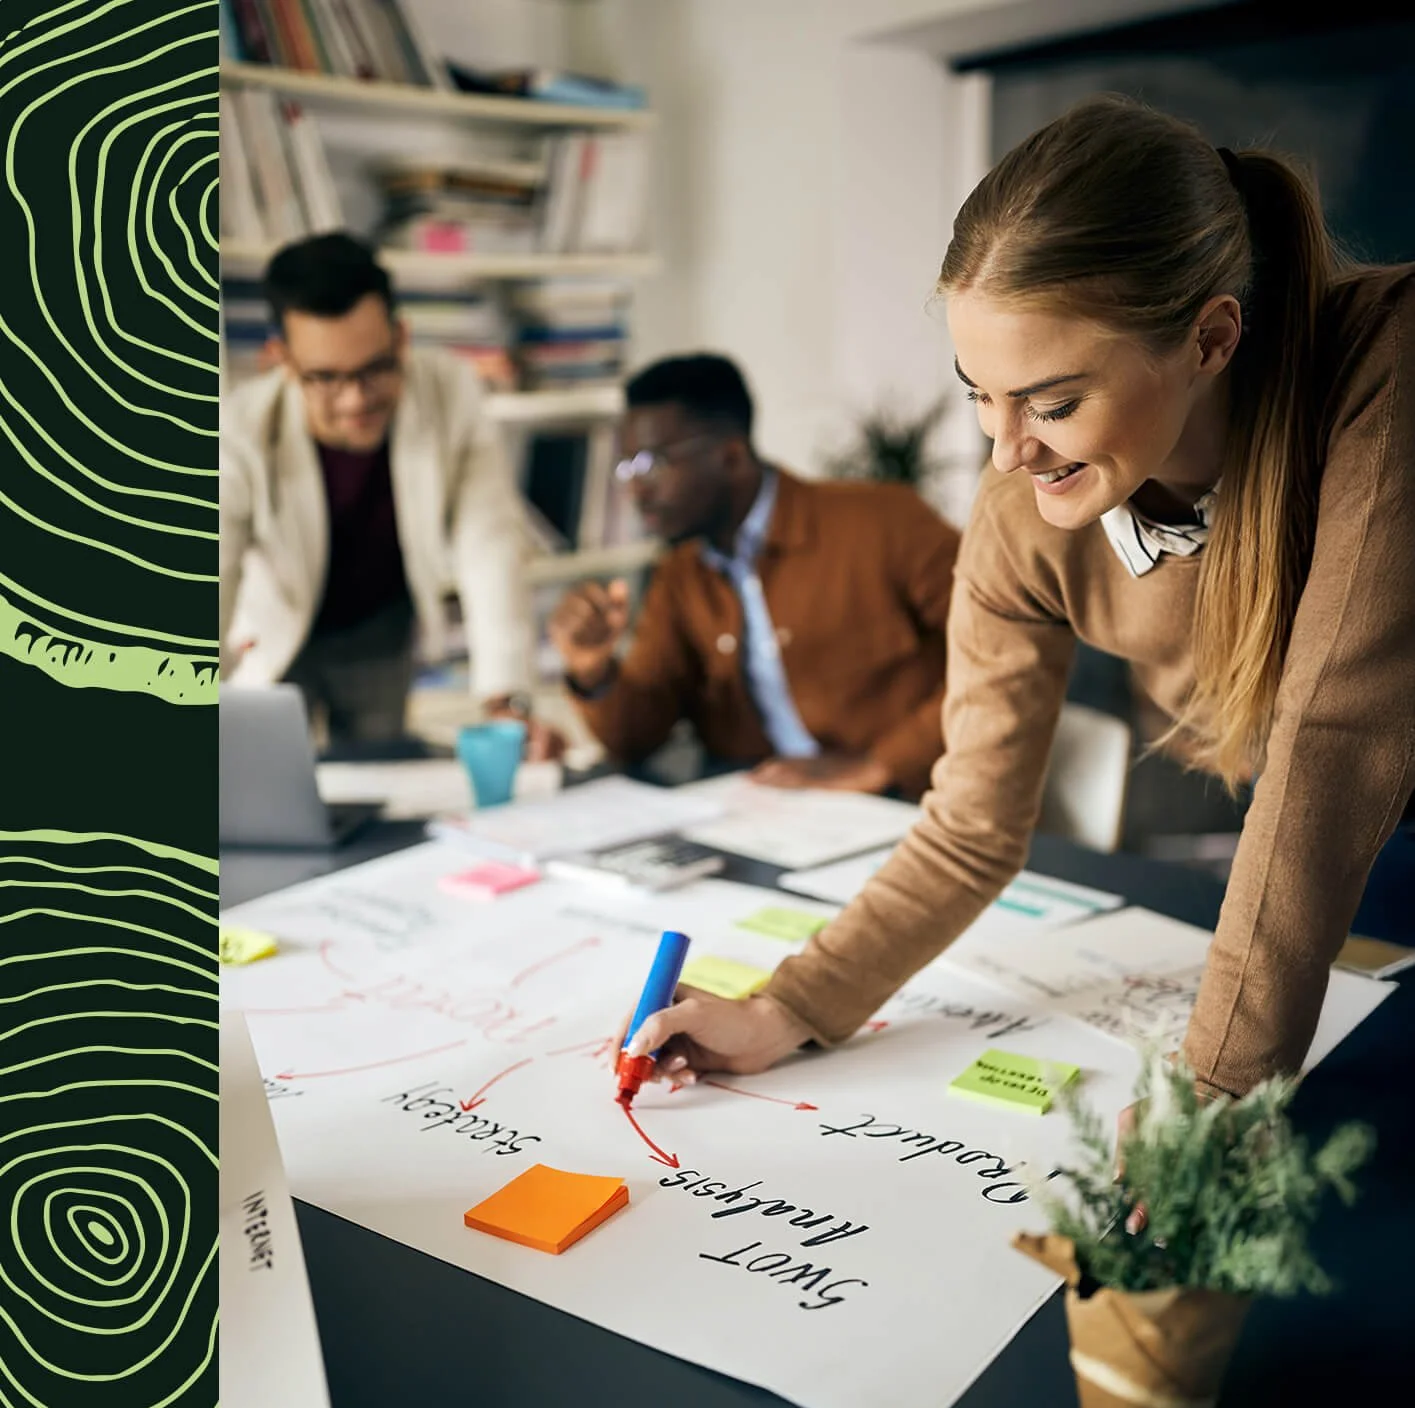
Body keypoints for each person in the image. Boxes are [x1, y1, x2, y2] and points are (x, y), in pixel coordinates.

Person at [622, 96, 1415, 1104]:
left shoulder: (1384, 370)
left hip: (1348, 807)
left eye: (1052, 403)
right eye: (978, 394)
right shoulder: (1021, 510)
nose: (1006, 453)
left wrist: (1211, 1096)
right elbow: (970, 825)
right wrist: (787, 1006)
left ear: (1210, 341)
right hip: (1325, 841)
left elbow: (1330, 748)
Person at [547, 353, 961, 799]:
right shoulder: (679, 575)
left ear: (731, 455)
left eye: (652, 465)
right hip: (762, 811)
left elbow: (1006, 657)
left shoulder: (884, 521)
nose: (634, 489)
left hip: (911, 804)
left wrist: (881, 763)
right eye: (626, 466)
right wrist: (593, 671)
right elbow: (636, 738)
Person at [220, 232, 561, 755]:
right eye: (327, 378)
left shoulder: (451, 391)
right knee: (271, 789)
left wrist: (505, 700)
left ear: (402, 338)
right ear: (281, 360)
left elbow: (488, 543)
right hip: (278, 634)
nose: (356, 399)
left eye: (376, 368)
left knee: (380, 785)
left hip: (381, 635)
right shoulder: (240, 427)